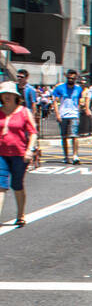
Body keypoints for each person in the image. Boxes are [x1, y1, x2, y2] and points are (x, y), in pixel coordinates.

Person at [0, 81, 39, 228]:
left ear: (16, 96)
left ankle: (20, 214)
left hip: (19, 154)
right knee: (0, 186)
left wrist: (29, 150)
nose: (7, 97)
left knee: (17, 184)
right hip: (1, 154)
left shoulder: (23, 111)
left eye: (10, 94)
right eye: (4, 94)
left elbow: (33, 132)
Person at [52, 69, 84, 164]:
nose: (71, 79)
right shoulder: (60, 88)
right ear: (67, 77)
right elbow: (55, 101)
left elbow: (78, 101)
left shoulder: (78, 89)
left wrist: (78, 113)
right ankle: (66, 156)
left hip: (74, 114)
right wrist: (57, 114)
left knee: (74, 136)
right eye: (69, 78)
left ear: (76, 78)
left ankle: (75, 155)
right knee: (64, 136)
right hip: (63, 114)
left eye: (73, 78)